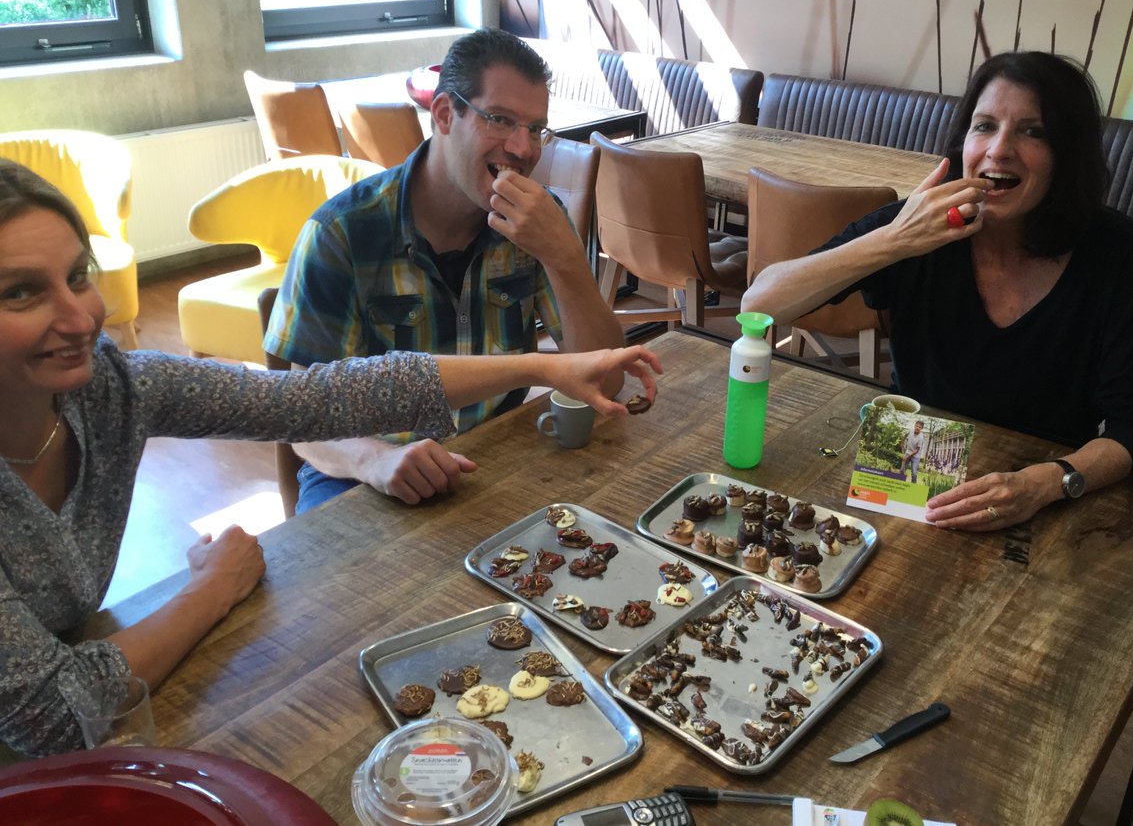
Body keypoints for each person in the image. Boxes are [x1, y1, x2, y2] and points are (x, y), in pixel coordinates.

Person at [0, 160, 661, 757]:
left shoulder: (111, 389)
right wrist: (213, 587)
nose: (80, 315)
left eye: (78, 276)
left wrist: (551, 365)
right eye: (22, 292)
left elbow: (314, 398)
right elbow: (55, 714)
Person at [742, 51, 1133, 532]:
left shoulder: (1122, 255)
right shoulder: (917, 227)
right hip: (908, 457)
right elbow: (759, 305)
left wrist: (1045, 483)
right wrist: (892, 241)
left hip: (1040, 486)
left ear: (1068, 155)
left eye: (1033, 131)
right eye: (984, 125)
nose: (999, 149)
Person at [265, 28, 625, 513]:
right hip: (360, 478)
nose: (523, 148)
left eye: (536, 128)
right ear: (443, 115)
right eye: (500, 120)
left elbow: (605, 383)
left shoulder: (538, 225)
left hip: (495, 457)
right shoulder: (342, 233)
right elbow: (302, 418)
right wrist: (377, 460)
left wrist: (563, 257)